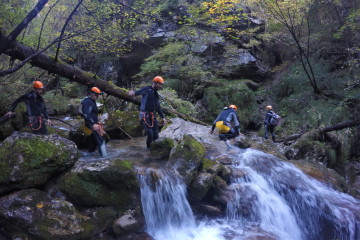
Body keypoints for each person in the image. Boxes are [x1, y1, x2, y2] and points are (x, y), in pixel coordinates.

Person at [128, 76, 167, 148]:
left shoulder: (156, 94)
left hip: (153, 115)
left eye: (161, 84)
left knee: (156, 133)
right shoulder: (146, 89)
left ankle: (156, 149)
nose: (160, 86)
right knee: (150, 133)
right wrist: (132, 93)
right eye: (159, 84)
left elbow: (158, 107)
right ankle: (148, 149)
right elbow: (137, 92)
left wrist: (163, 117)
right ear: (154, 83)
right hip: (144, 115)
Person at [81, 86, 107, 157]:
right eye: (98, 95)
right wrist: (93, 124)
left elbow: (92, 114)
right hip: (90, 125)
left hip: (91, 125)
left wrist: (98, 124)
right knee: (100, 141)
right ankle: (105, 158)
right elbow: (86, 114)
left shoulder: (92, 101)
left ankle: (88, 156)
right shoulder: (87, 102)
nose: (98, 96)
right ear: (93, 94)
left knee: (93, 143)